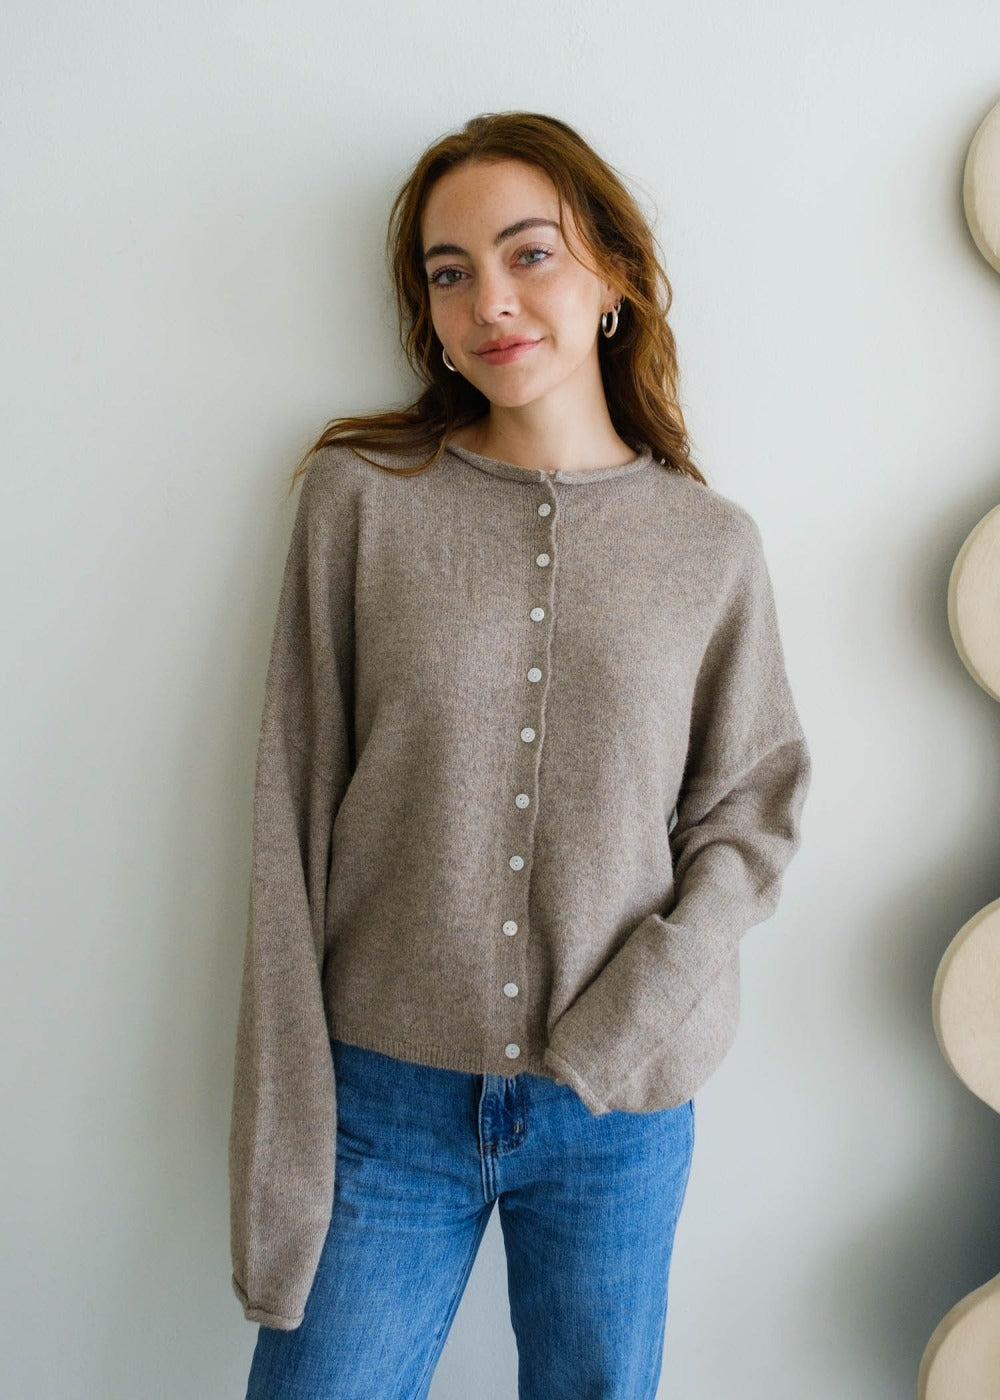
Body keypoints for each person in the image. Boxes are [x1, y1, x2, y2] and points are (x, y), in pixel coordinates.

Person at [229, 110, 812, 1400]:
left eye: (529, 253)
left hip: (619, 1114)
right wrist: (282, 1145)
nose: (489, 299)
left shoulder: (710, 545)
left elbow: (752, 815)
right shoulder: (362, 500)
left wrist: (639, 1011)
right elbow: (290, 813)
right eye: (449, 272)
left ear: (609, 275)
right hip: (385, 1105)